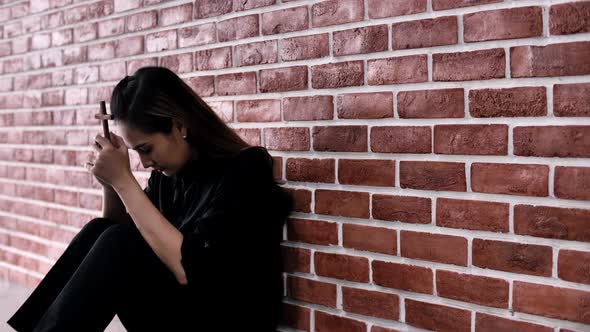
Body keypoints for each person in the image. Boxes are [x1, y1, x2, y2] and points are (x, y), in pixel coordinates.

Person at [7, 66, 294, 331]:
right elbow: (117, 242)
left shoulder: (244, 169)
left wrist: (124, 181)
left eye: (146, 149)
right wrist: (112, 184)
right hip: (181, 313)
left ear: (179, 126)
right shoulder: (170, 177)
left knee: (117, 242)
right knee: (100, 230)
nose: (144, 163)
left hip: (224, 320)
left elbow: (188, 270)